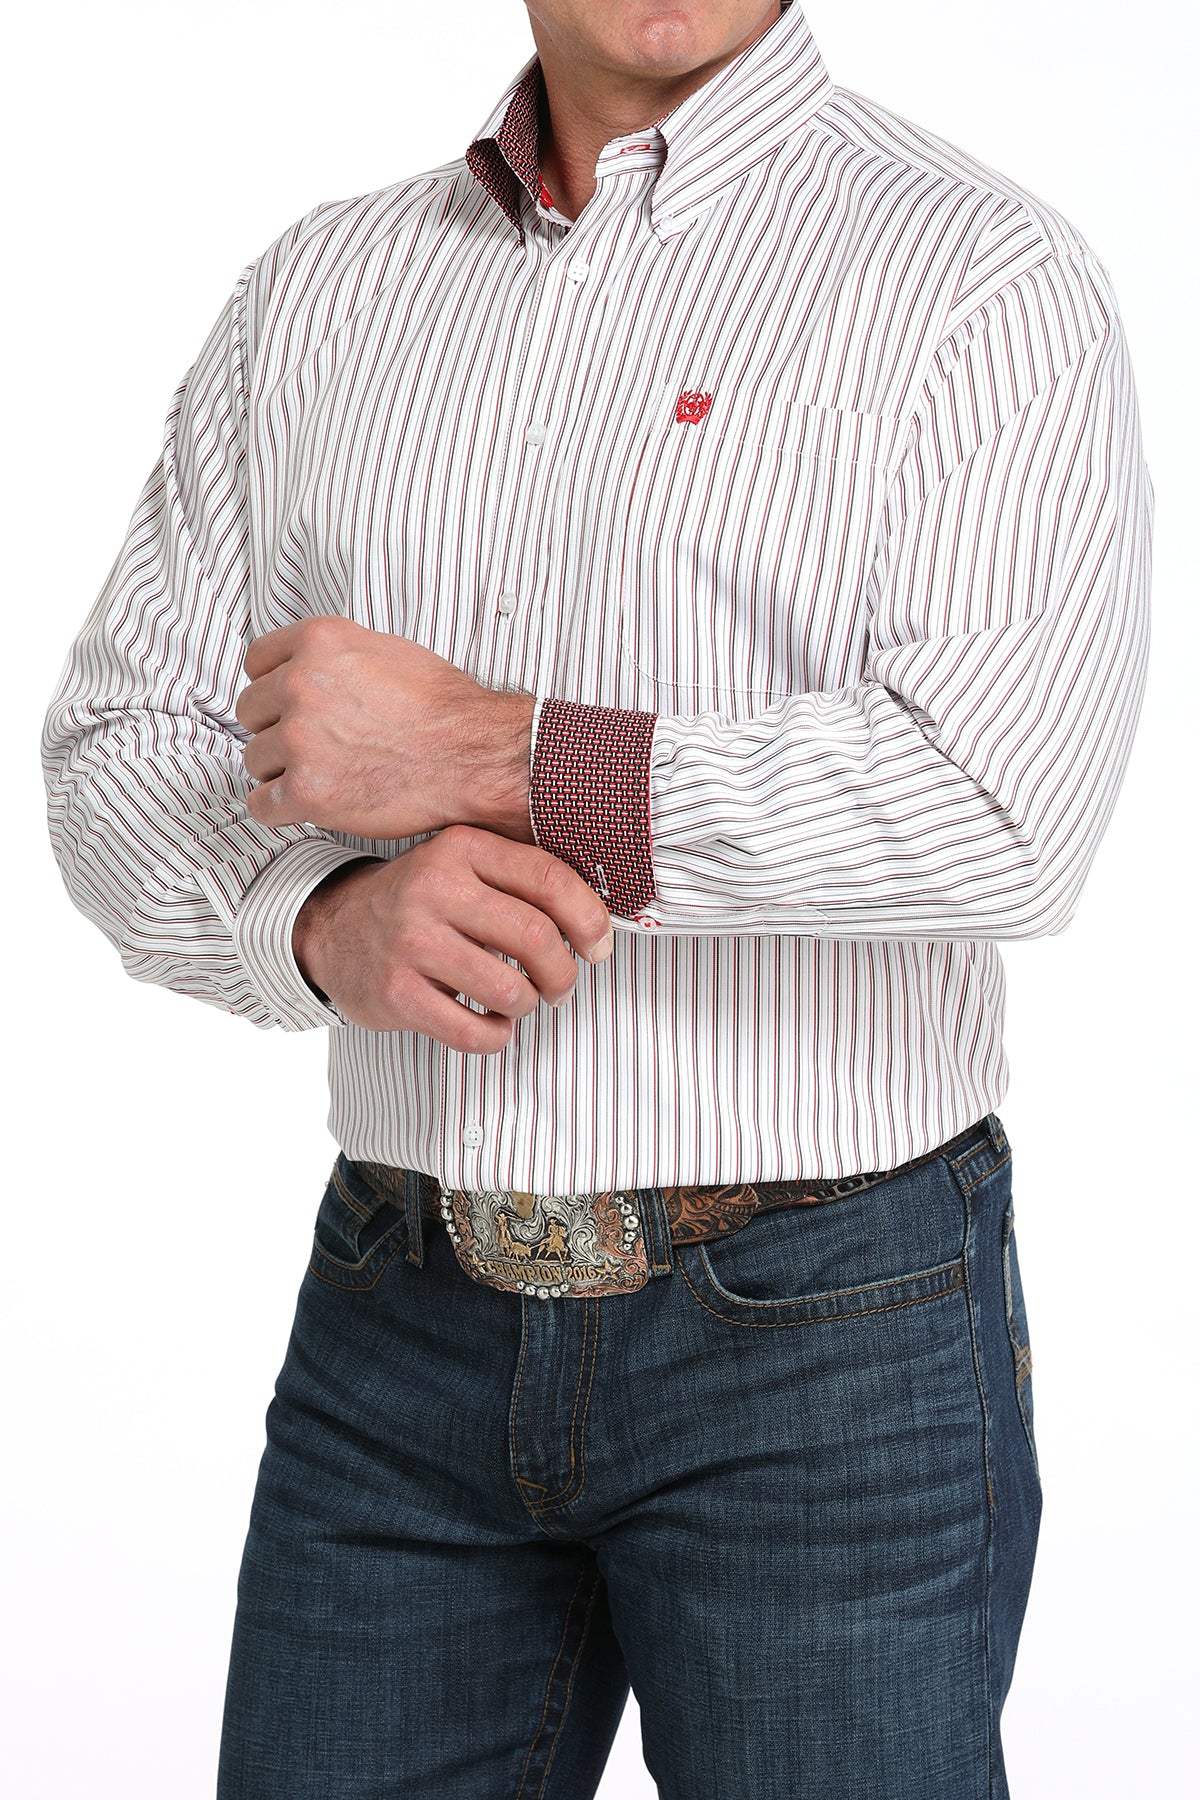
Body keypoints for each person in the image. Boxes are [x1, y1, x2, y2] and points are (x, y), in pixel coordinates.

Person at [41, 1, 1151, 1794]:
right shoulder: (322, 291)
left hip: (829, 1342)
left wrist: (496, 753)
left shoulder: (976, 276)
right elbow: (115, 747)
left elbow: (1004, 811)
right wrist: (319, 925)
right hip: (400, 1317)